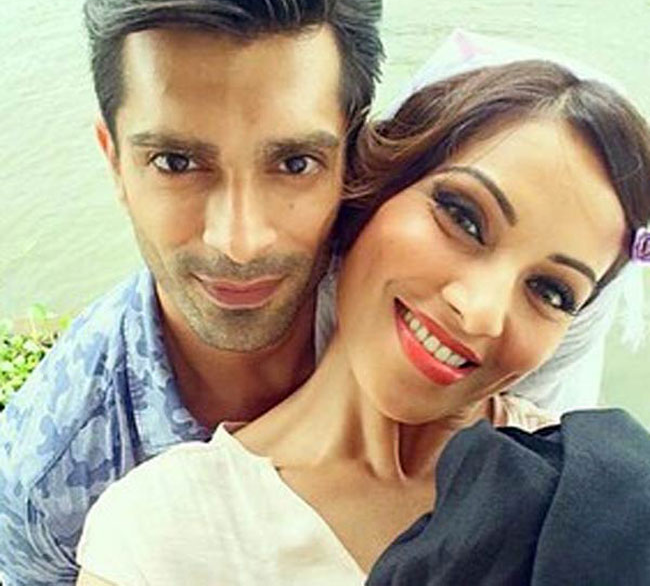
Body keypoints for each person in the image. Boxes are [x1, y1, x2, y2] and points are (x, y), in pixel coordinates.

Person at [0, 0, 630, 582]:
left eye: (295, 163)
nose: (240, 241)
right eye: (176, 162)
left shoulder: (427, 303)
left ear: (356, 159)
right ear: (114, 162)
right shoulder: (59, 477)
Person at [75, 57, 650, 585]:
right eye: (463, 218)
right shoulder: (158, 538)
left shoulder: (595, 498)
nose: (481, 311)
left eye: (551, 291)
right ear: (373, 193)